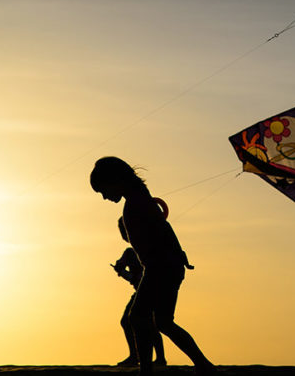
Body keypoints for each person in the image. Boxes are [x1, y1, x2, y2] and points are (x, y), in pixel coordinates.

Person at [90, 157, 214, 375]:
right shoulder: (139, 198)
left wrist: (175, 256)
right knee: (164, 322)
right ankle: (204, 365)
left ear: (115, 180)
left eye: (103, 190)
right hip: (167, 265)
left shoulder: (137, 202)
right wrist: (179, 255)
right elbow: (165, 227)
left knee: (137, 317)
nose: (104, 197)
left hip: (160, 267)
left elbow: (162, 228)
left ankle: (146, 370)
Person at [112, 217, 167, 367]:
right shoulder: (130, 253)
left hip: (152, 290)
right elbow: (125, 269)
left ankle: (150, 358)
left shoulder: (144, 249)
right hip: (144, 290)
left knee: (149, 323)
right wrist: (121, 269)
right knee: (142, 322)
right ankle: (141, 356)